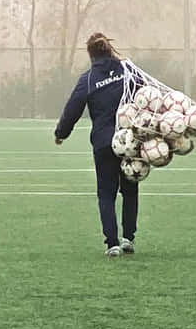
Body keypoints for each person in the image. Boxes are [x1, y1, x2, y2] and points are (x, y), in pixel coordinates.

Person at [54, 31, 141, 256]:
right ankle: (128, 238)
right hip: (129, 140)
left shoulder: (89, 78)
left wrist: (61, 133)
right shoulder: (128, 71)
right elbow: (147, 95)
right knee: (130, 189)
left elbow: (73, 108)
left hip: (104, 142)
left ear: (90, 55)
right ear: (110, 50)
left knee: (106, 193)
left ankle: (112, 243)